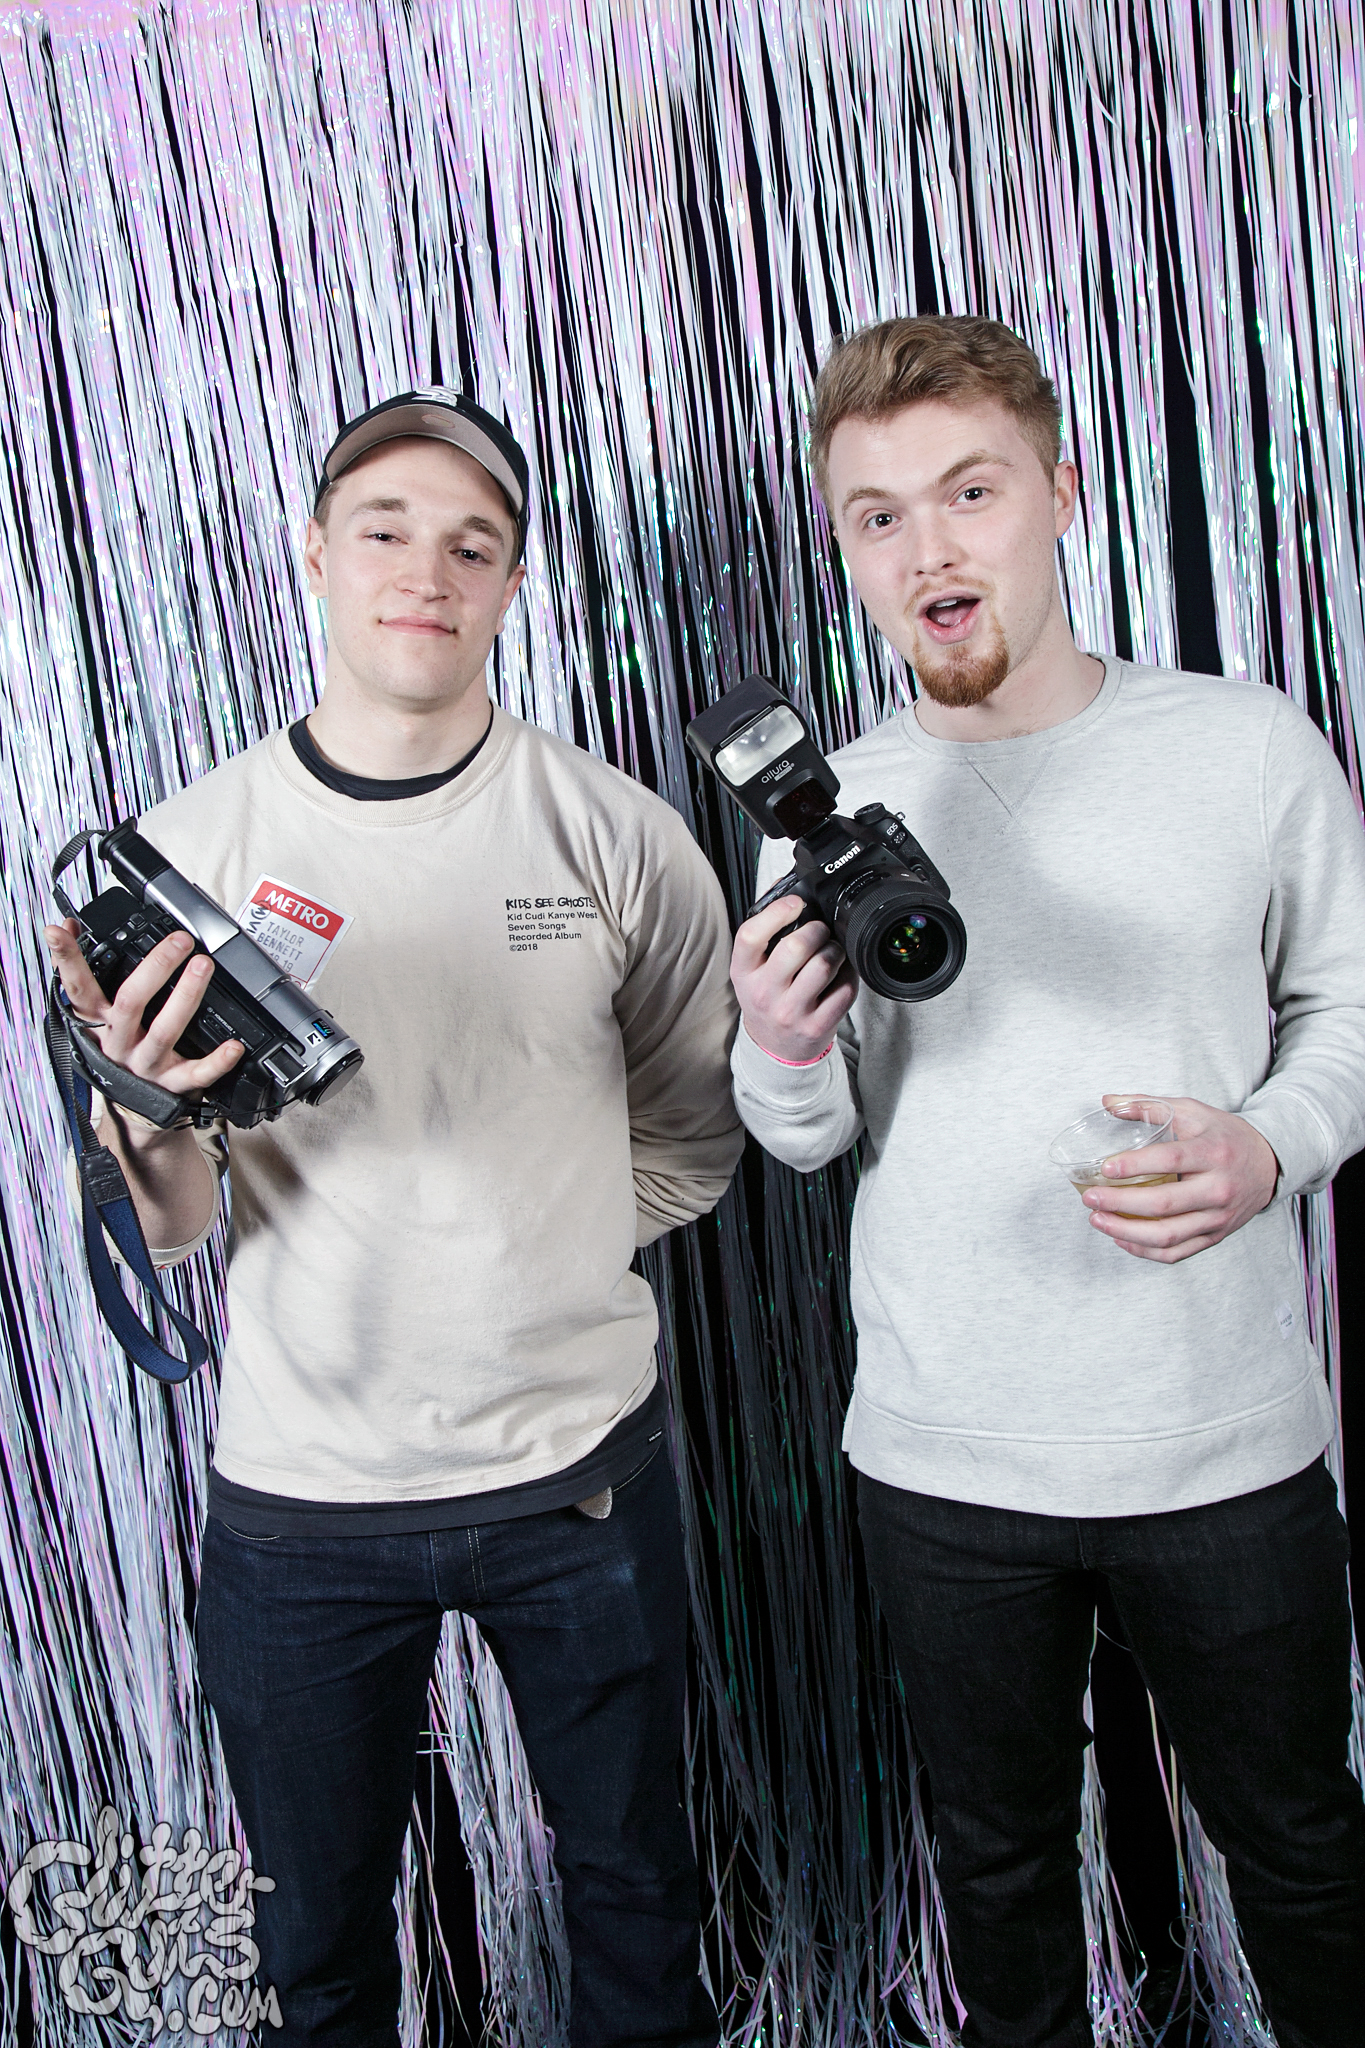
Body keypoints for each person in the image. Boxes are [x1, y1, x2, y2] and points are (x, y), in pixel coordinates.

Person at [45, 387, 742, 2048]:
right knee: (318, 1947)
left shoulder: (617, 835)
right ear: (314, 554)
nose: (426, 572)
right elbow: (171, 1229)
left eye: (470, 544)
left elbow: (691, 1132)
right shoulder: (192, 852)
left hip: (578, 1476)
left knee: (641, 1902)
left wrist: (537, 1257)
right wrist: (138, 1106)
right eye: (384, 531)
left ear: (512, 585)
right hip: (304, 1501)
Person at [727, 316, 1365, 2048]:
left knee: (1300, 1853)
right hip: (944, 1460)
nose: (926, 547)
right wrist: (776, 1041)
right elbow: (803, 1132)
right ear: (842, 548)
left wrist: (1269, 1145)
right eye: (875, 516)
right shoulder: (828, 809)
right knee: (995, 1872)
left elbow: (1345, 1014)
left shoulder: (1243, 744)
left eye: (969, 492)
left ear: (1060, 496)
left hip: (1218, 1440)